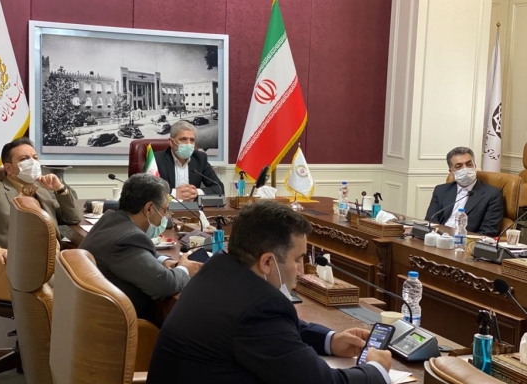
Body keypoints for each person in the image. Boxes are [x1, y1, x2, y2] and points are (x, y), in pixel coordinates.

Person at [147, 201, 392, 384]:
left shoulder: (218, 270)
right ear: (267, 262)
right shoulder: (258, 310)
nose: (301, 270)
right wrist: (376, 370)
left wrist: (330, 341)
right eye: (298, 259)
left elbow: (280, 332)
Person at [79, 173, 202, 323]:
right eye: (164, 210)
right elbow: (165, 285)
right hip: (118, 325)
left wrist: (163, 260)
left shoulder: (110, 220)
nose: (165, 216)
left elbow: (138, 252)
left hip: (87, 316)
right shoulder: (128, 240)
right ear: (149, 209)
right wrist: (184, 269)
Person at [0, 137, 82, 265]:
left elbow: (73, 218)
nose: (32, 162)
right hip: (22, 265)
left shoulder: (43, 192)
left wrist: (60, 189)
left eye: (35, 158)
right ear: (8, 168)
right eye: (24, 159)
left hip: (56, 260)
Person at [425, 146, 503, 236]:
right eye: (459, 166)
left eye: (469, 164)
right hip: (439, 238)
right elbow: (431, 221)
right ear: (451, 171)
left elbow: (489, 231)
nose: (465, 169)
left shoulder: (492, 194)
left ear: (475, 166)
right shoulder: (441, 190)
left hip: (465, 241)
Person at [154, 120, 223, 201]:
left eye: (192, 140)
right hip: (167, 207)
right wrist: (175, 193)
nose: (188, 144)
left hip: (192, 207)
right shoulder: (157, 159)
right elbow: (148, 190)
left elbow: (219, 188)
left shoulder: (200, 158)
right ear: (171, 142)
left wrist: (196, 192)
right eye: (183, 139)